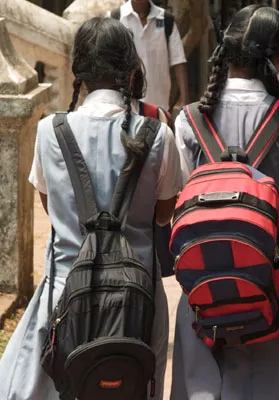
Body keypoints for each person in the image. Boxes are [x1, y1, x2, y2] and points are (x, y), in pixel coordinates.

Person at [0, 17, 183, 400]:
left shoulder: (51, 131)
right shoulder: (158, 134)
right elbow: (164, 214)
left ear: (77, 69)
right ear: (132, 67)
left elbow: (52, 208)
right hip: (138, 300)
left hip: (66, 297)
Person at [170, 5, 279, 399]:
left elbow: (181, 200)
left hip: (203, 273)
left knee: (202, 385)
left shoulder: (187, 122)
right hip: (276, 273)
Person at [110, 0, 190, 110]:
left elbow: (179, 61)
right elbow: (106, 62)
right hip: (123, 107)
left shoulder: (166, 20)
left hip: (158, 106)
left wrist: (185, 101)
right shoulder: (115, 18)